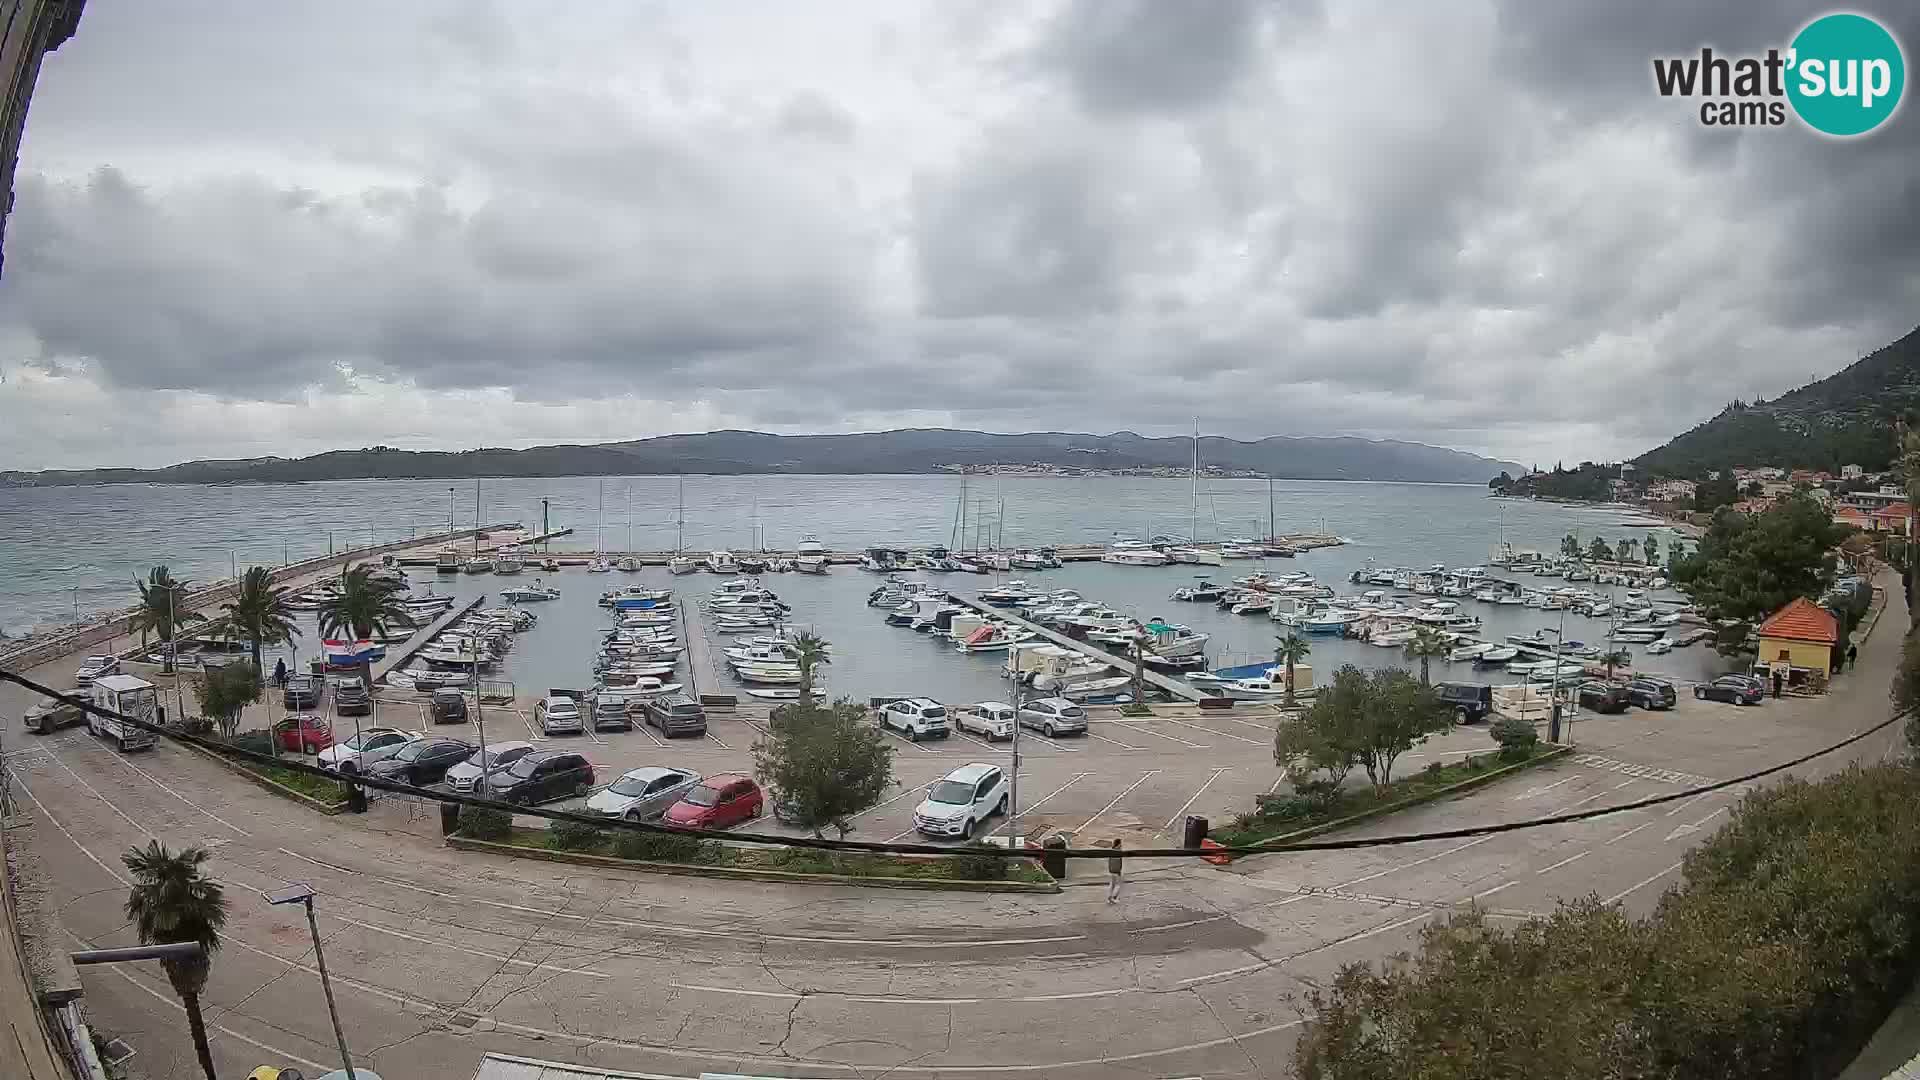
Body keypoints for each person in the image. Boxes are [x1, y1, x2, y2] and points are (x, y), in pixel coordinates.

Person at [1106, 839, 1124, 904]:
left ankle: (1109, 897)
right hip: (1116, 870)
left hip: (1111, 870)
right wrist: (1119, 870)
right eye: (1120, 843)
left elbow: (1109, 861)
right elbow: (1119, 863)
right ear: (1118, 844)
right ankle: (1113, 898)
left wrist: (1110, 869)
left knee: (1112, 884)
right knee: (1118, 884)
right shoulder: (1119, 852)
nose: (1121, 845)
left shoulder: (1111, 851)